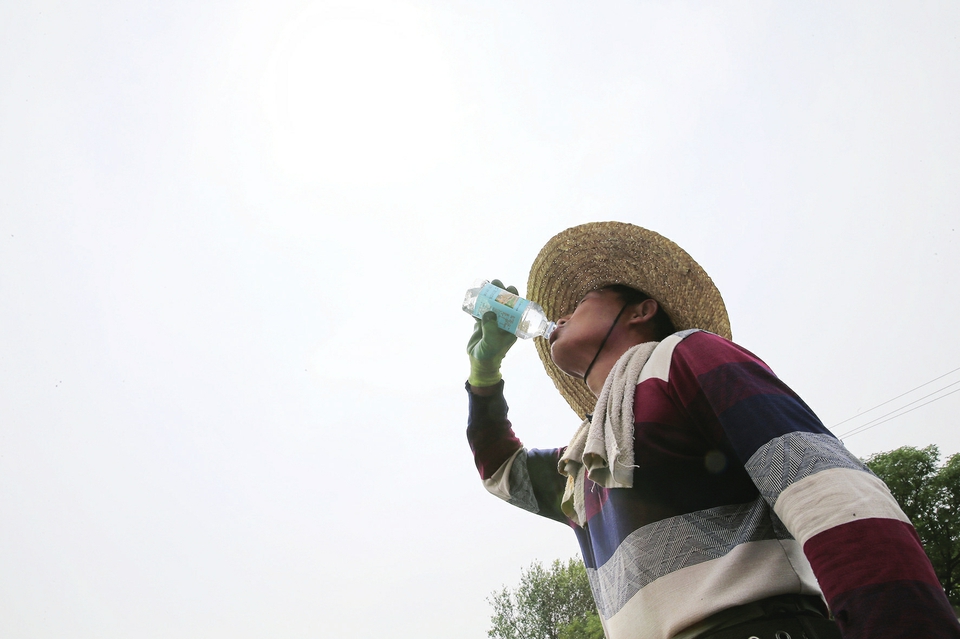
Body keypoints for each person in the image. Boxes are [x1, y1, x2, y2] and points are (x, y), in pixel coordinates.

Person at [465, 222, 960, 639]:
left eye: (585, 299)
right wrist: (484, 373)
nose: (564, 312)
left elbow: (826, 487)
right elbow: (500, 471)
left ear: (640, 310)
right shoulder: (589, 460)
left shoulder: (683, 357)